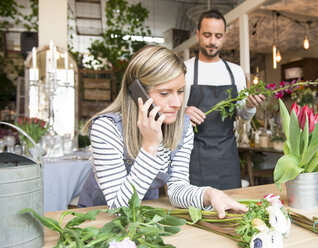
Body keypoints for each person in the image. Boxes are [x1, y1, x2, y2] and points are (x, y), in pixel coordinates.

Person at [78, 45, 248, 218]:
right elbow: (120, 209)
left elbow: (177, 189)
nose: (176, 102)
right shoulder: (106, 129)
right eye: (165, 93)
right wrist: (150, 146)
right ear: (137, 92)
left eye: (180, 91)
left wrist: (210, 194)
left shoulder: (182, 128)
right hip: (97, 216)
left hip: (144, 214)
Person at [184, 9, 265, 190]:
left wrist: (250, 106)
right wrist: (183, 113)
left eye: (218, 36)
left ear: (225, 36)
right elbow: (169, 114)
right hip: (193, 157)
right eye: (207, 35)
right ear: (197, 35)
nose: (212, 41)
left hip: (227, 156)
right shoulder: (184, 70)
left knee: (230, 211)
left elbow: (242, 116)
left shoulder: (235, 72)